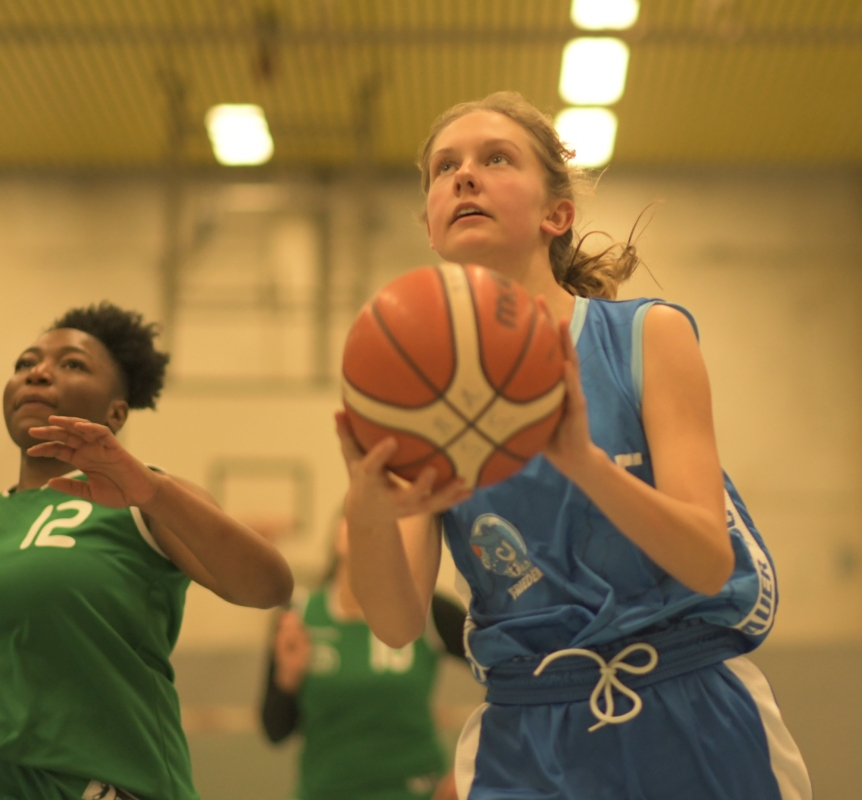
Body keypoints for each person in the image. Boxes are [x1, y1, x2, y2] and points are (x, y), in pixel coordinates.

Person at [334, 91, 811, 800]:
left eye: (497, 159)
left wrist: (583, 464)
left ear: (556, 214)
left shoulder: (647, 337)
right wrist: (368, 508)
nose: (464, 177)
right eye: (444, 168)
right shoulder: (417, 394)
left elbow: (709, 562)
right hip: (527, 731)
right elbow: (397, 624)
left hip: (689, 707)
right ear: (431, 227)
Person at [0, 302, 294, 800]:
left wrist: (154, 493)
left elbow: (269, 586)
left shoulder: (143, 499)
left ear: (116, 412)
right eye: (25, 363)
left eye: (72, 364)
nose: (38, 372)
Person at [261, 517, 467, 800]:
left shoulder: (428, 610)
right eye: (354, 517)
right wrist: (288, 678)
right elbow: (275, 731)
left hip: (413, 790)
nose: (366, 527)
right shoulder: (298, 616)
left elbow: (505, 668)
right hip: (325, 792)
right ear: (336, 536)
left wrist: (470, 767)